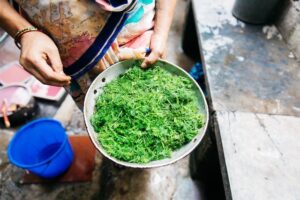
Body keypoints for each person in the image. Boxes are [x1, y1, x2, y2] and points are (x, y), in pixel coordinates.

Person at [0, 0, 177, 109]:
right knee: (103, 114)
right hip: (73, 50)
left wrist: (161, 33)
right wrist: (24, 32)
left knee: (156, 99)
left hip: (138, 30)